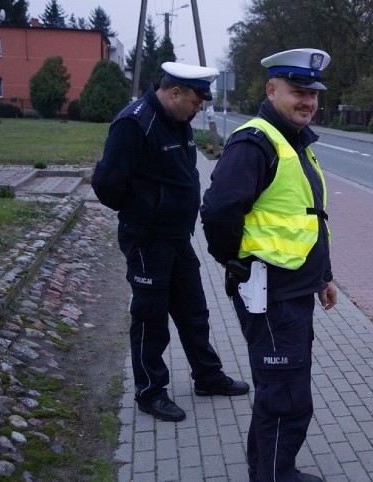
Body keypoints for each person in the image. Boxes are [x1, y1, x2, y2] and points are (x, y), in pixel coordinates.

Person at [200, 48, 336, 482]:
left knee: (281, 388)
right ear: (271, 89)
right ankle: (275, 476)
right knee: (287, 395)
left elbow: (307, 218)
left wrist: (324, 277)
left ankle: (268, 468)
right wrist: (236, 263)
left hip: (293, 289)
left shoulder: (295, 142)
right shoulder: (255, 141)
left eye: (313, 94)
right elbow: (219, 211)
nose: (308, 102)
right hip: (269, 292)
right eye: (298, 91)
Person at [91, 62, 250, 423]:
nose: (198, 109)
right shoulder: (135, 123)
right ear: (174, 92)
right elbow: (106, 183)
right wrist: (143, 211)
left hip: (178, 237)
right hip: (148, 240)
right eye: (195, 101)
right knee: (151, 318)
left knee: (194, 312)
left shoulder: (177, 121)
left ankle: (207, 377)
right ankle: (150, 391)